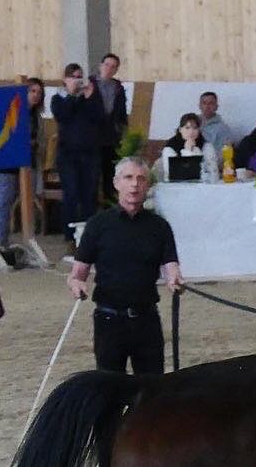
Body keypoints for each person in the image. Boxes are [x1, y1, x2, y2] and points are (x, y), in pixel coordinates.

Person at [67, 156, 183, 374]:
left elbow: (171, 266)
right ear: (116, 183)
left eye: (141, 179)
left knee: (152, 391)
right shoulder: (97, 225)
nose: (134, 184)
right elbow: (77, 274)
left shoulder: (160, 226)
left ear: (148, 185)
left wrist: (174, 279)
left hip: (146, 320)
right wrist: (77, 285)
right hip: (108, 320)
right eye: (128, 178)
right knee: (109, 391)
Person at [51, 63, 102, 244]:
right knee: (71, 194)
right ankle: (70, 236)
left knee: (89, 194)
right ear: (65, 79)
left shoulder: (90, 97)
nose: (77, 80)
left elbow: (98, 117)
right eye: (73, 77)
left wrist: (89, 96)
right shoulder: (58, 98)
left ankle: (90, 234)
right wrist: (72, 95)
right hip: (68, 155)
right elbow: (63, 116)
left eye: (80, 76)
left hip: (90, 154)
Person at [0, 78, 44, 268]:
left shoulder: (36, 116)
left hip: (28, 165)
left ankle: (25, 243)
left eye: (39, 92)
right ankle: (0, 242)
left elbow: (39, 141)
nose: (35, 95)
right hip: (8, 165)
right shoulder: (12, 110)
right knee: (4, 203)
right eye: (32, 91)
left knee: (26, 202)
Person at [91, 53, 128, 202]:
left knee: (111, 179)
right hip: (92, 139)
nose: (109, 69)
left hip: (112, 139)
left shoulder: (118, 87)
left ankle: (110, 209)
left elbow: (122, 115)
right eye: (107, 65)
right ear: (101, 66)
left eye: (113, 67)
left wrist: (123, 133)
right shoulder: (90, 84)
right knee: (92, 178)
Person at [156, 112, 218, 182]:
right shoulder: (170, 148)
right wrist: (188, 151)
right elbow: (176, 176)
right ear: (180, 130)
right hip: (177, 188)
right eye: (187, 128)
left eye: (195, 128)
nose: (191, 132)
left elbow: (213, 174)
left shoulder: (206, 146)